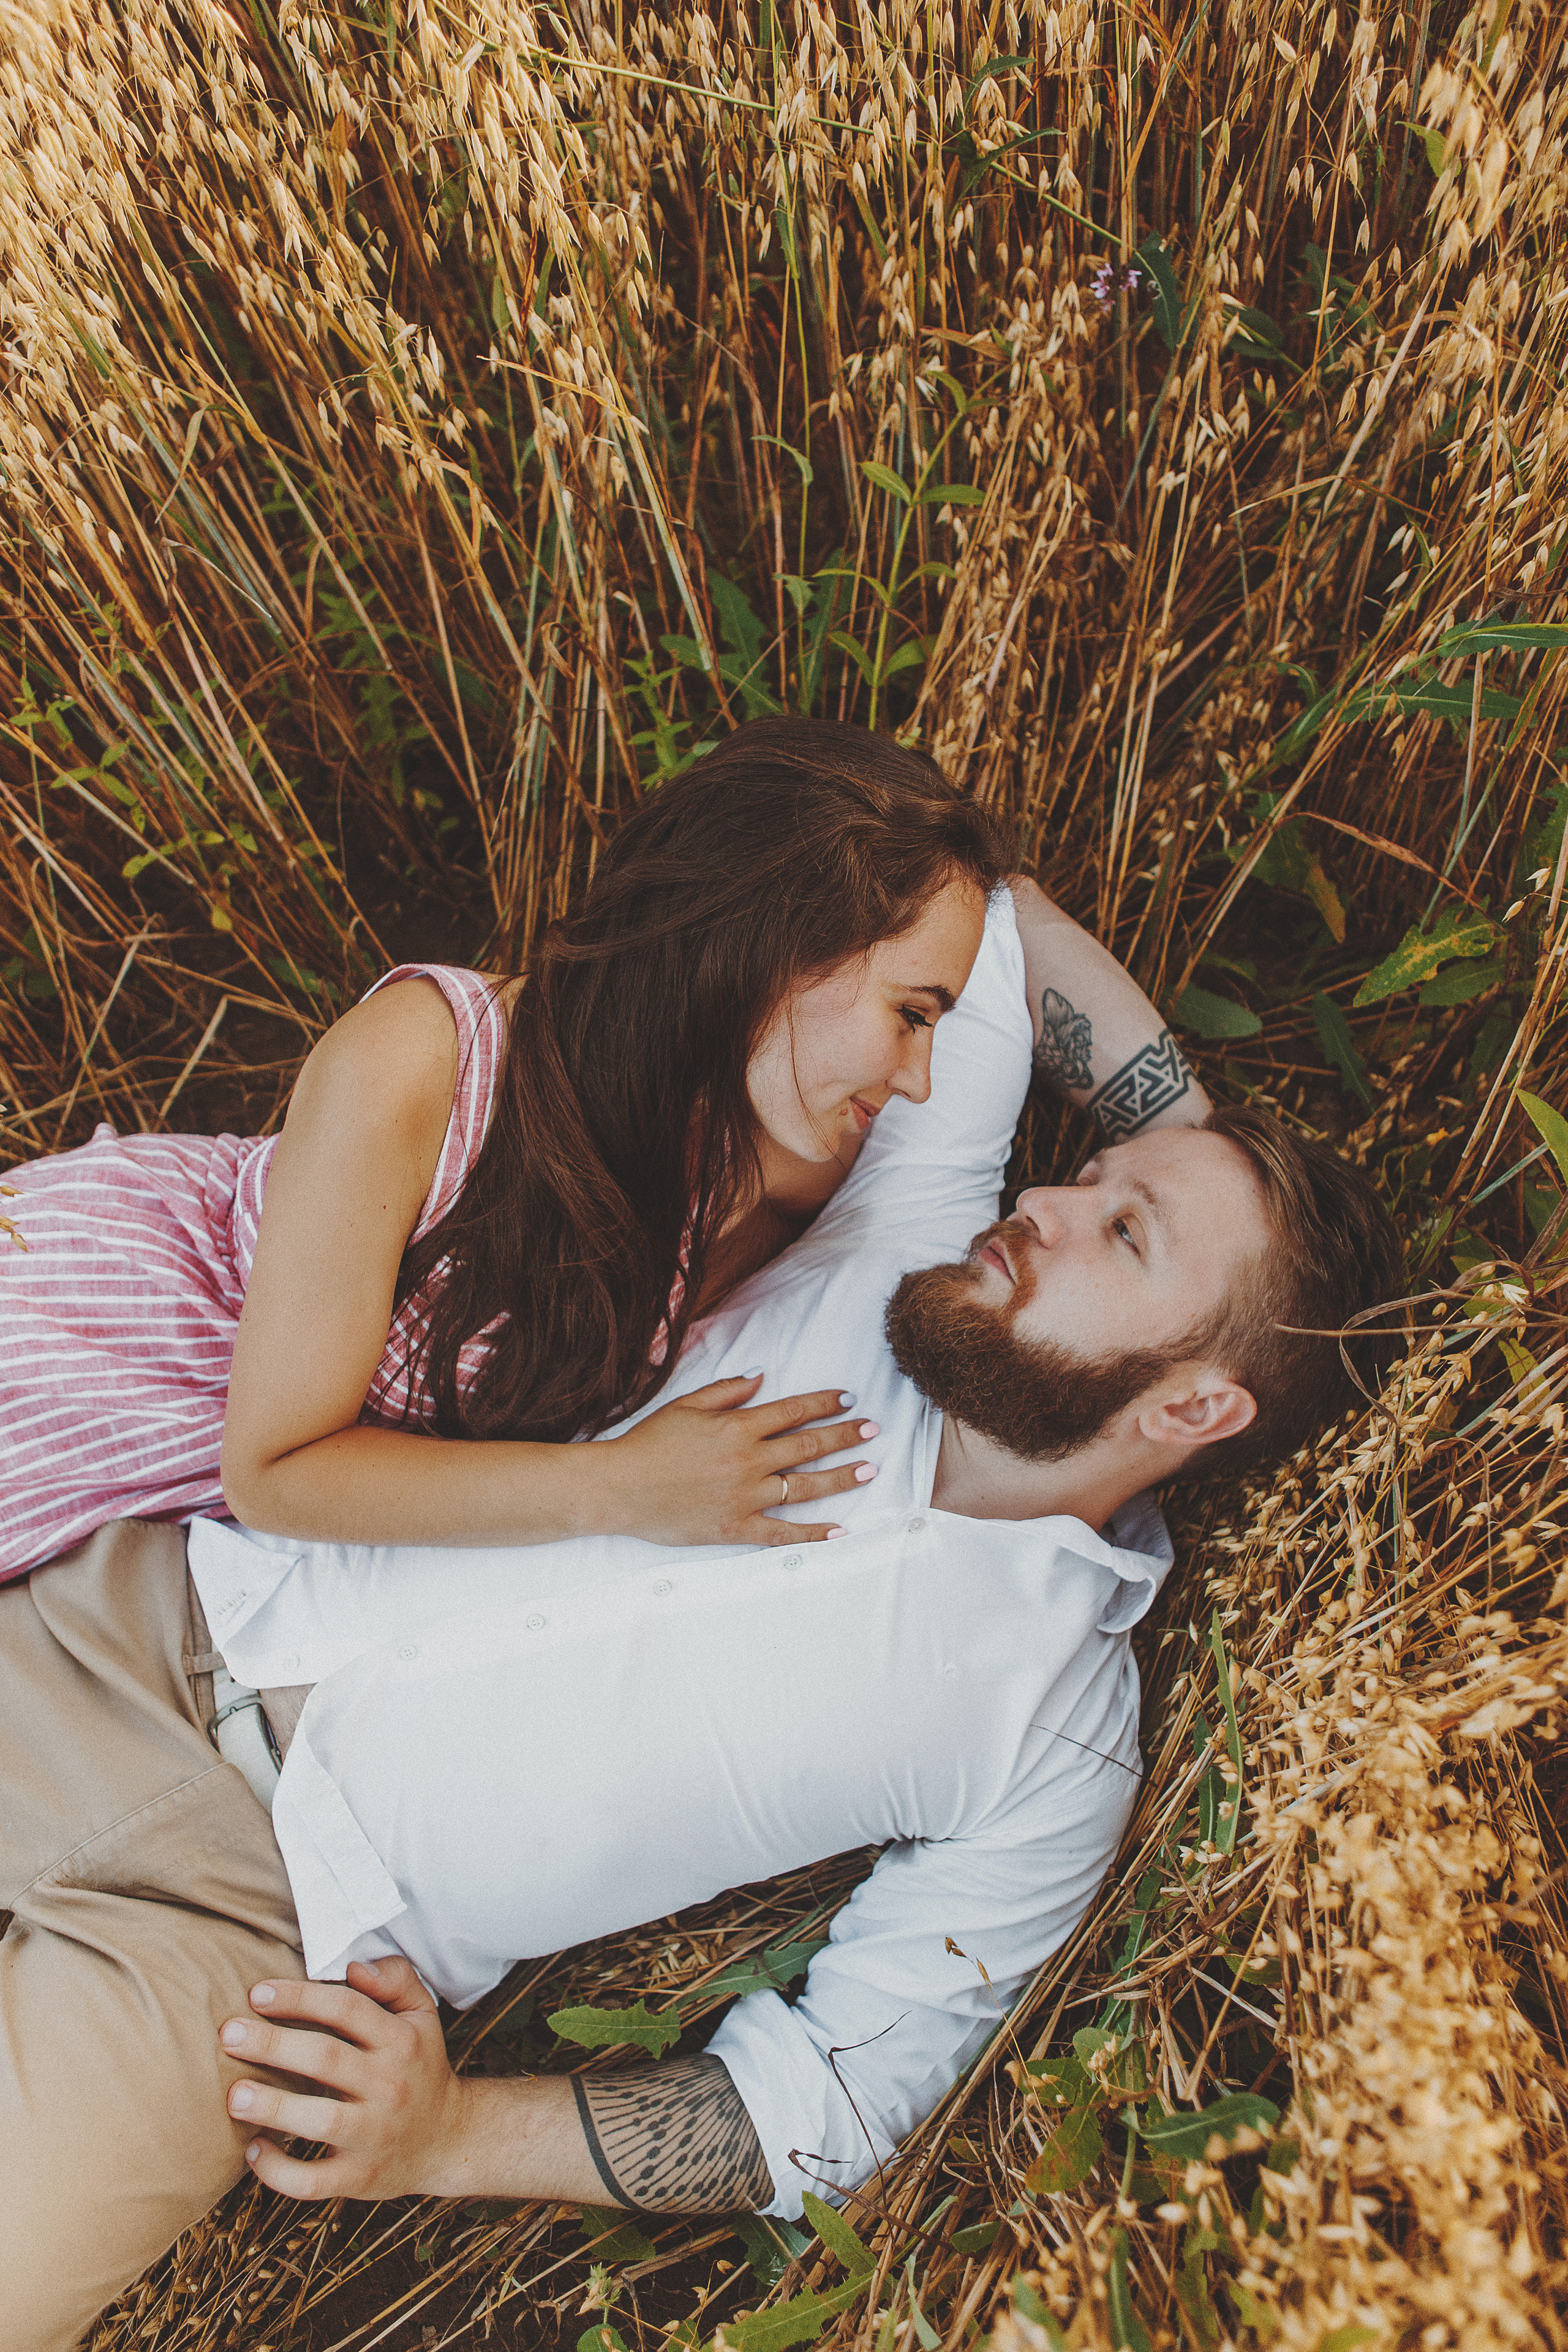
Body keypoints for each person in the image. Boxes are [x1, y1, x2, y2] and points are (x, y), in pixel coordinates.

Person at [0, 882, 1401, 2351]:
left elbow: (835, 2101)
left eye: (1119, 1233)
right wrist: (1195, 1139)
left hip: (256, 1950)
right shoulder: (893, 1231)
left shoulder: (1054, 1740)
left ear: (1194, 1403)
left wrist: (450, 2137)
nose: (1041, 1205)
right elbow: (978, 908)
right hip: (134, 1630)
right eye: (1089, 1178)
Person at [3, 718, 1017, 1578]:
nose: (920, 1078)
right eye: (911, 1013)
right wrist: (620, 1488)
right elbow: (274, 1470)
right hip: (85, 1339)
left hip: (167, 1499)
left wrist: (1170, 1115)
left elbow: (1023, 923)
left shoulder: (780, 1159)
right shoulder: (422, 1066)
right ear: (775, 946)